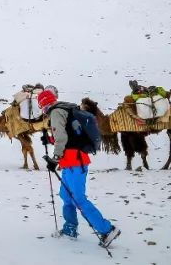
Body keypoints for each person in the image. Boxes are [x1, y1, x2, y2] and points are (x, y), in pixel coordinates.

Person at [39, 89, 120, 247]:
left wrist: (54, 159)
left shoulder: (56, 112)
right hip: (71, 161)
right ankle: (70, 228)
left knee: (78, 199)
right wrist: (49, 139)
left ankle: (107, 230)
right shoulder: (67, 109)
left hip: (76, 161)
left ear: (44, 105)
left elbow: (62, 138)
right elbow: (70, 136)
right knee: (66, 195)